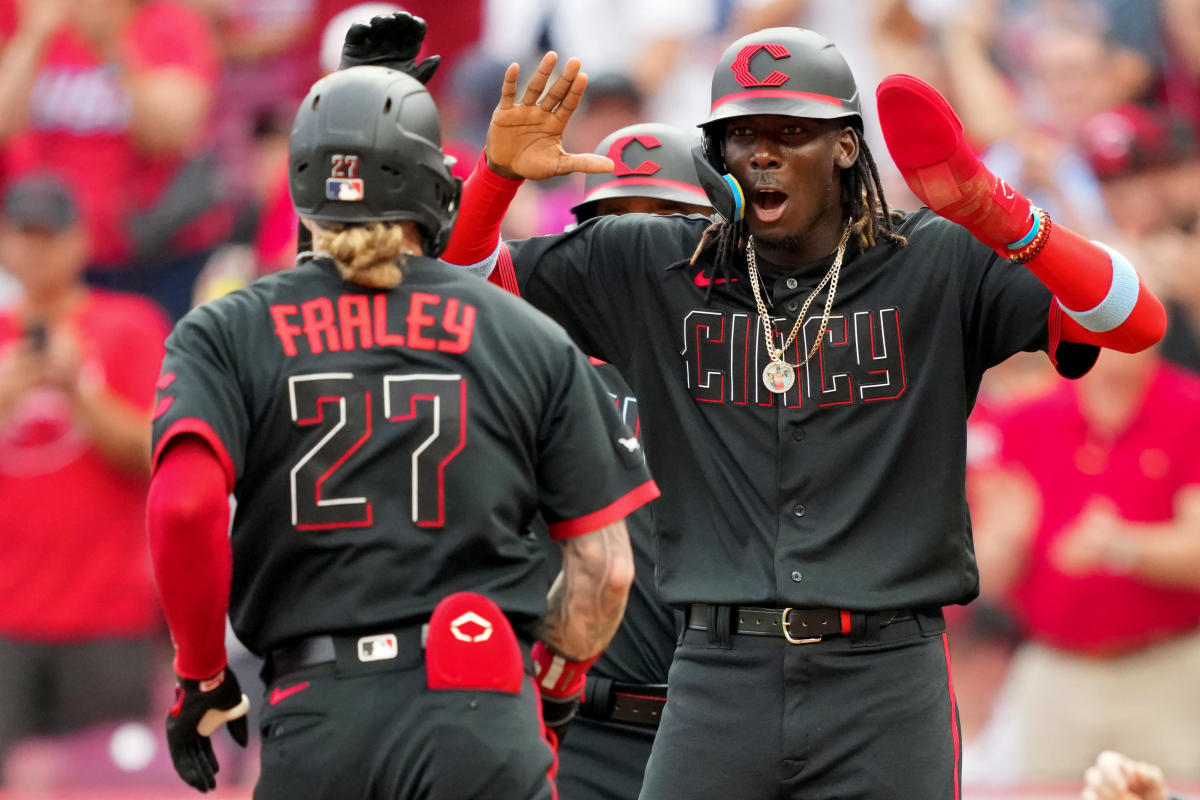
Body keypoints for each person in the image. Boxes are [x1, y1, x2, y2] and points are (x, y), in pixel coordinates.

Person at [431, 27, 1167, 799]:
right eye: (741, 135)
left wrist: (995, 210)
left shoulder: (936, 258)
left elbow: (1132, 319)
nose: (763, 153)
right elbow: (460, 289)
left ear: (847, 148)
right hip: (719, 675)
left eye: (792, 132)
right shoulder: (654, 262)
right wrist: (496, 179)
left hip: (886, 675)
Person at [146, 65, 658, 797]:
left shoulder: (225, 329)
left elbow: (184, 506)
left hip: (317, 710)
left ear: (299, 185)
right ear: (435, 184)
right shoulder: (526, 331)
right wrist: (550, 688)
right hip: (478, 700)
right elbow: (606, 571)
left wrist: (201, 672)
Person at [525, 123, 710, 800]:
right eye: (609, 224)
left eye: (667, 221)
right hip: (576, 728)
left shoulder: (759, 367)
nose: (635, 245)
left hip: (725, 729)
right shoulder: (537, 366)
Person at [0, 175, 170, 782]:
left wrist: (79, 390)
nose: (37, 251)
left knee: (107, 785)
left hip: (106, 615)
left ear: (79, 242)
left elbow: (156, 451)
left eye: (51, 236)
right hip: (7, 619)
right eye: (25, 236)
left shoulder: (128, 325)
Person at [977, 344, 1200, 781]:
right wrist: (1003, 544)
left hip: (1165, 667)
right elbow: (988, 570)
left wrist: (1124, 547)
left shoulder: (1190, 409)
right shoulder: (1026, 419)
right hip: (1054, 666)